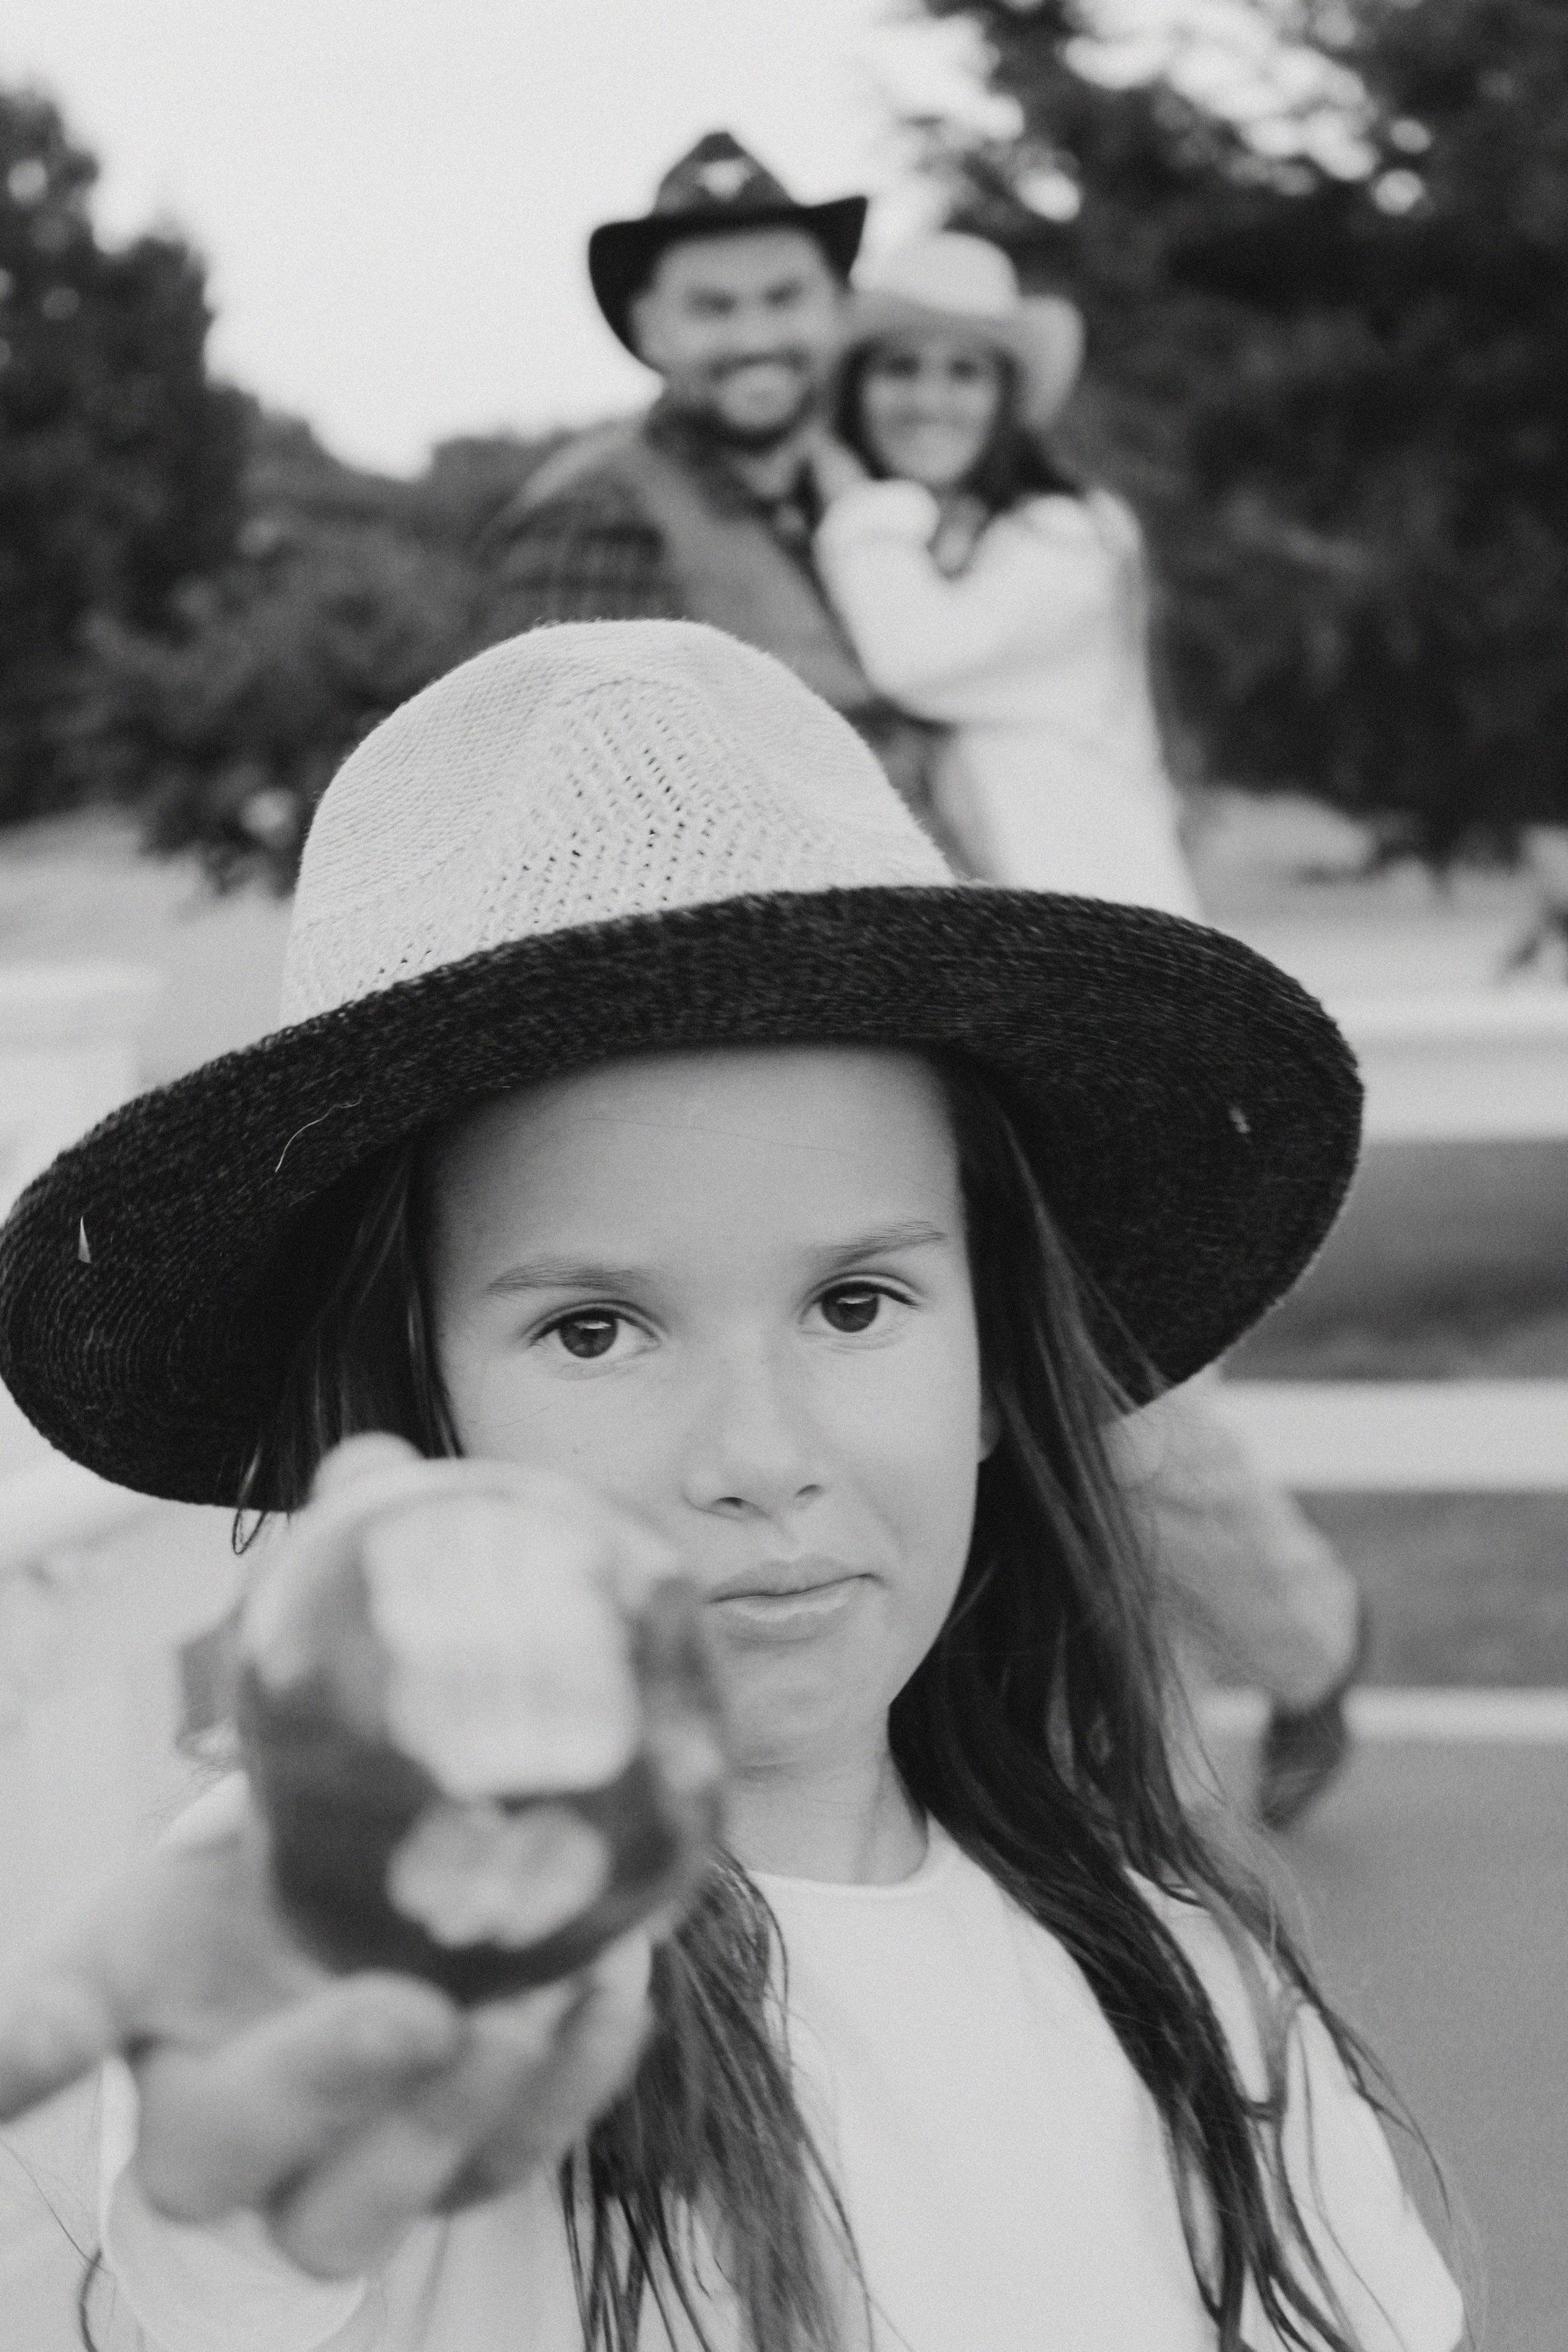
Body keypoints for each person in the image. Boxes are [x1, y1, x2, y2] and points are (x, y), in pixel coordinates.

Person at [0, 621, 1461, 2352]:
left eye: (854, 1303)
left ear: (996, 1364)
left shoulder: (1197, 1989)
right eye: (595, 1329)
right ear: (413, 1400)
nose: (760, 1457)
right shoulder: (385, 1939)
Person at [808, 233, 1370, 1831]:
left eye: (959, 372)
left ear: (1009, 398)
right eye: (900, 367)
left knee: (1117, 1390)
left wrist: (851, 500)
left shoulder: (1066, 536)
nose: (928, 398)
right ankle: (1144, 1732)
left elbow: (912, 652)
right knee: (1040, 1393)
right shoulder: (934, 538)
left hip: (1123, 1004)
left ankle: (1286, 1654)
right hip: (989, 1005)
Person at [475, 131, 948, 831]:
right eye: (712, 308)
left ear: (839, 308)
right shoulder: (595, 510)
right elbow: (574, 816)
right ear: (651, 330)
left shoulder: (867, 490)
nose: (755, 338)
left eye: (784, 298)